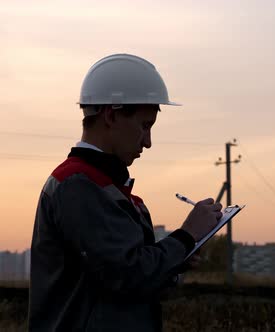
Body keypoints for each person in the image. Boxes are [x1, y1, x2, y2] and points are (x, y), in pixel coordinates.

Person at [28, 54, 221, 331]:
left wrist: (176, 263)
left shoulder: (113, 192)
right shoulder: (76, 185)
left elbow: (130, 283)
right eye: (145, 126)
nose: (149, 142)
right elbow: (127, 274)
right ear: (111, 115)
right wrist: (186, 237)